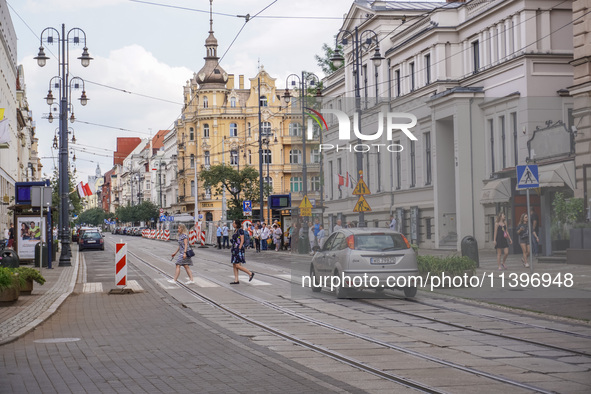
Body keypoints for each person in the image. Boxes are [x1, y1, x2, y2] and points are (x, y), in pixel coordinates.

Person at [230, 219, 254, 284]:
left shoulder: (240, 231)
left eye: (234, 223)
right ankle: (236, 280)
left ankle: (250, 273)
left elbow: (242, 240)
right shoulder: (235, 231)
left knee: (237, 265)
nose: (233, 224)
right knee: (234, 264)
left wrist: (239, 248)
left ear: (237, 224)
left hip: (238, 249)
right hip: (234, 249)